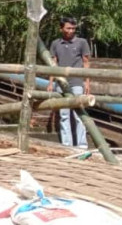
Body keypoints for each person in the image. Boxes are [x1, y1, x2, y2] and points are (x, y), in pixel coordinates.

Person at [47, 17, 92, 149]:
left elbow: (86, 63)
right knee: (64, 115)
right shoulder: (56, 44)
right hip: (60, 84)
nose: (71, 30)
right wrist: (51, 82)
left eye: (73, 28)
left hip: (77, 83)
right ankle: (67, 146)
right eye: (68, 28)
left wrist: (87, 82)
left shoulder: (82, 43)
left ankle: (82, 146)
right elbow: (53, 64)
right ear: (61, 29)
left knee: (79, 115)